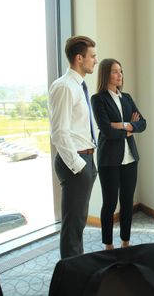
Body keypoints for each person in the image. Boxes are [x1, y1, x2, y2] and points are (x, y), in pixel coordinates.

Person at [48, 35, 98, 259]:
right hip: (75, 161)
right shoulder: (65, 87)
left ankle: (76, 266)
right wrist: (79, 166)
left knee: (78, 221)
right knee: (72, 225)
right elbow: (59, 132)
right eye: (92, 56)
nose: (95, 60)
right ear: (79, 58)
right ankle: (71, 274)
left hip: (86, 158)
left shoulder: (79, 86)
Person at [91, 58, 146, 250]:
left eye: (121, 71)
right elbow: (106, 130)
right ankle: (108, 244)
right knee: (110, 202)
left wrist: (122, 125)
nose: (119, 75)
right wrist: (129, 127)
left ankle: (125, 241)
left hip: (130, 158)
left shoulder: (127, 98)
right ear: (106, 74)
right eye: (115, 71)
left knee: (127, 201)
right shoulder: (98, 99)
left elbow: (143, 124)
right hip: (109, 159)